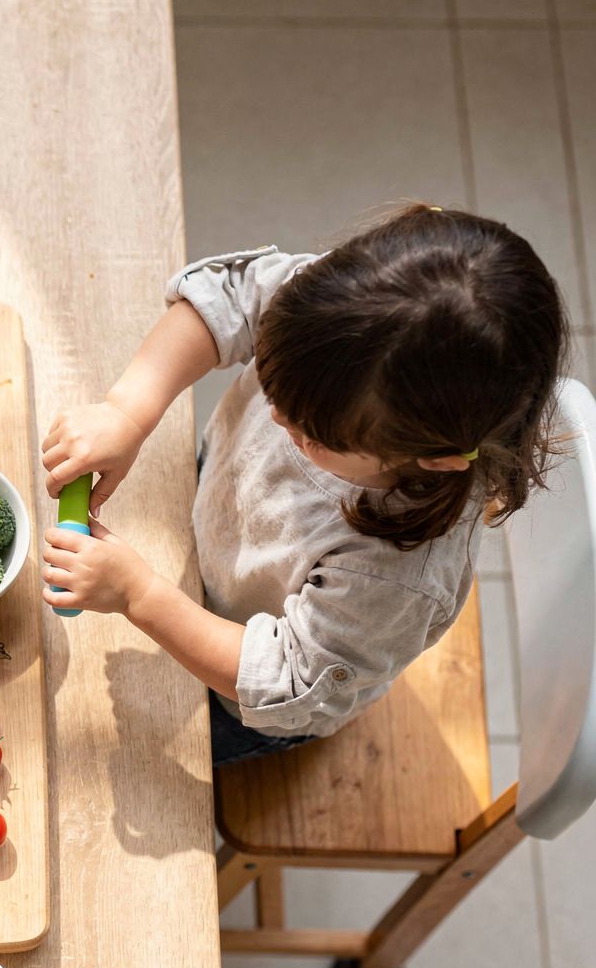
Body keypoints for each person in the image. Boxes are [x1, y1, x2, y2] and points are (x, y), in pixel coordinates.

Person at [38, 204, 567, 766]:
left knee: (143, 763)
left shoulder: (397, 573)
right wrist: (127, 411)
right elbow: (232, 299)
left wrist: (140, 596)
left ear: (433, 461)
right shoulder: (347, 310)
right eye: (270, 380)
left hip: (237, 684)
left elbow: (288, 676)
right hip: (216, 538)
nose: (276, 417)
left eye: (310, 433)